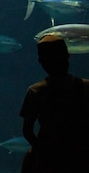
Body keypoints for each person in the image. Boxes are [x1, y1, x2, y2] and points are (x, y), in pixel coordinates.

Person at [19, 34, 89, 173]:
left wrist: (39, 150)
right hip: (81, 156)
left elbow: (27, 130)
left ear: (41, 61)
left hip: (48, 158)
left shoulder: (36, 91)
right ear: (68, 56)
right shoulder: (86, 86)